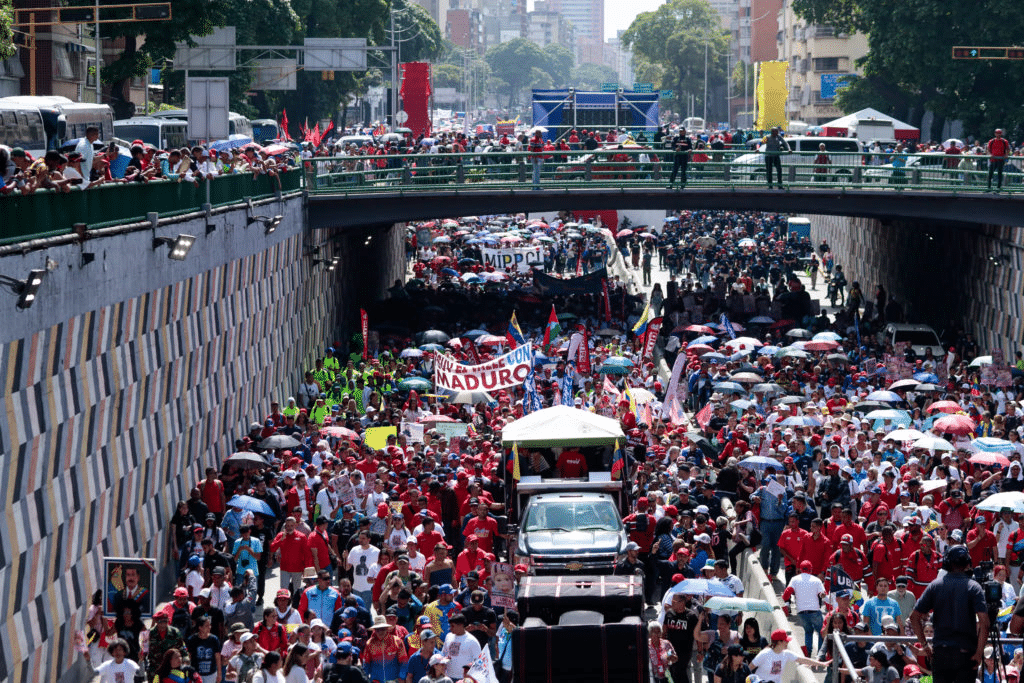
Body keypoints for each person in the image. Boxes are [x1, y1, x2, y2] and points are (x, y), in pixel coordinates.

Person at [910, 545, 989, 683]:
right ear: (967, 562)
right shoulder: (974, 586)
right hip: (966, 654)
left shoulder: (935, 585)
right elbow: (985, 622)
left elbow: (914, 617)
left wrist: (925, 645)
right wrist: (979, 652)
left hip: (941, 653)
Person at [749, 629, 823, 683]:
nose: (787, 642)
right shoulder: (764, 654)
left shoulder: (786, 654)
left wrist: (820, 663)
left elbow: (803, 660)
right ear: (779, 642)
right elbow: (748, 668)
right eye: (786, 641)